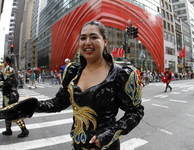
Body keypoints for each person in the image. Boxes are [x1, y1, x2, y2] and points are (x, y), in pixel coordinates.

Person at [5, 21, 144, 149]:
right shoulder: (73, 72)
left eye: (93, 37)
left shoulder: (122, 74)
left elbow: (136, 111)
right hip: (77, 145)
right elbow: (59, 102)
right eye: (83, 38)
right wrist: (34, 105)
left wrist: (109, 133)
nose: (87, 42)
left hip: (105, 146)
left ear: (105, 41)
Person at [0, 56, 29, 138]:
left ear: (8, 62)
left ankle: (24, 130)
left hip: (10, 95)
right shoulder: (10, 69)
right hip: (8, 94)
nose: (4, 63)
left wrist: (1, 84)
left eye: (5, 61)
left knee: (14, 113)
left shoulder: (8, 69)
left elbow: (8, 82)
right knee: (7, 112)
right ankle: (8, 129)